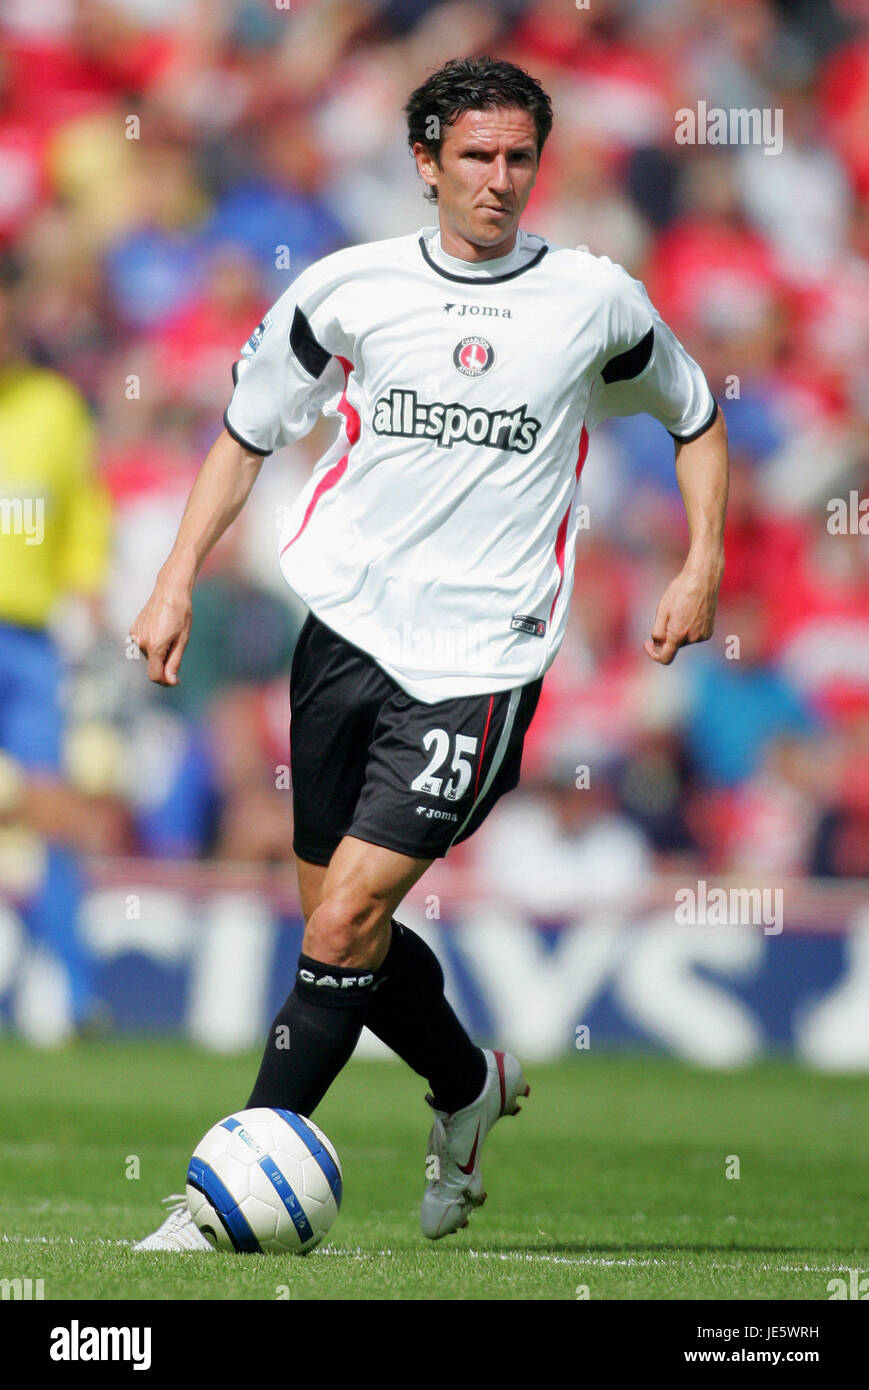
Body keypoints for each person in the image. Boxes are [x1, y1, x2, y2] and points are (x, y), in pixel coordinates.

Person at [131, 56, 728, 1251]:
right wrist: (174, 575)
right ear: (425, 164)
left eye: (517, 158)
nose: (498, 180)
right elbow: (246, 435)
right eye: (474, 156)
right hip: (341, 637)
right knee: (339, 930)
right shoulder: (348, 289)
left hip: (479, 662)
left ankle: (228, 1189)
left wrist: (699, 561)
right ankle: (465, 1086)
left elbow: (694, 413)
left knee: (345, 918)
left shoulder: (593, 300)